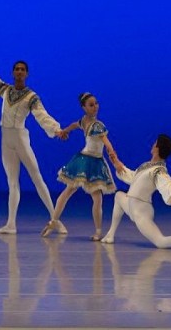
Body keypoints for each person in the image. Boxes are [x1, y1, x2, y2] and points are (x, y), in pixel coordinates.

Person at [0, 39, 67, 234]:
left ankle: (55, 219)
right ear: (12, 73)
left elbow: (42, 115)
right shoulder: (5, 90)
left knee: (37, 178)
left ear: (26, 74)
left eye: (22, 70)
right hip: (6, 140)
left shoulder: (31, 97)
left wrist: (56, 130)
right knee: (12, 182)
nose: (19, 72)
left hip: (20, 139)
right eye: (16, 69)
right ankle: (11, 224)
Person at [42, 92, 120, 240]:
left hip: (87, 160)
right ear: (84, 108)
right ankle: (96, 231)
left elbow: (74, 125)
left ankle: (54, 221)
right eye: (91, 105)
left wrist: (65, 131)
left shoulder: (85, 121)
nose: (95, 107)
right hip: (90, 162)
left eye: (96, 103)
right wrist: (114, 157)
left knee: (81, 194)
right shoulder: (96, 125)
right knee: (91, 196)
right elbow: (106, 142)